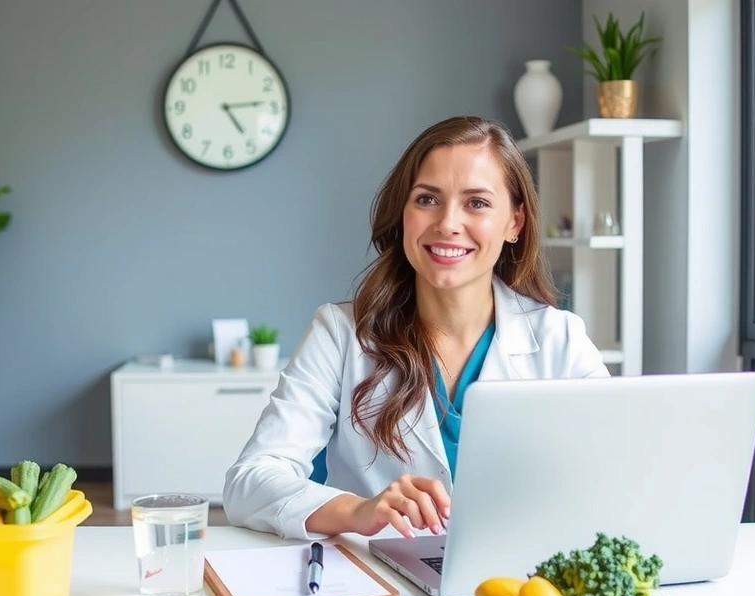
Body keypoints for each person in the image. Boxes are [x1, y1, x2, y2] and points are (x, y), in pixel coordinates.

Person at [223, 115, 609, 541]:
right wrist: (359, 511)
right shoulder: (340, 334)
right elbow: (249, 483)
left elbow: (618, 471)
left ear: (514, 222)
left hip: (521, 582)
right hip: (382, 590)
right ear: (403, 213)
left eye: (477, 203)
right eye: (427, 199)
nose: (447, 223)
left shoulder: (561, 341)